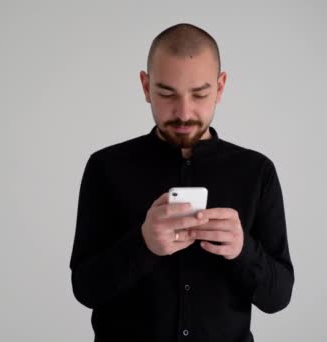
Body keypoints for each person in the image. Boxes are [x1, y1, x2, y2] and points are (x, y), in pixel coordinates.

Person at [69, 23, 294, 342]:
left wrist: (243, 250)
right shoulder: (106, 167)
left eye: (200, 94)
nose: (184, 112)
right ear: (146, 87)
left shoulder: (257, 172)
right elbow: (86, 289)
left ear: (221, 87)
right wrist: (143, 243)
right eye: (167, 93)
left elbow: (278, 297)